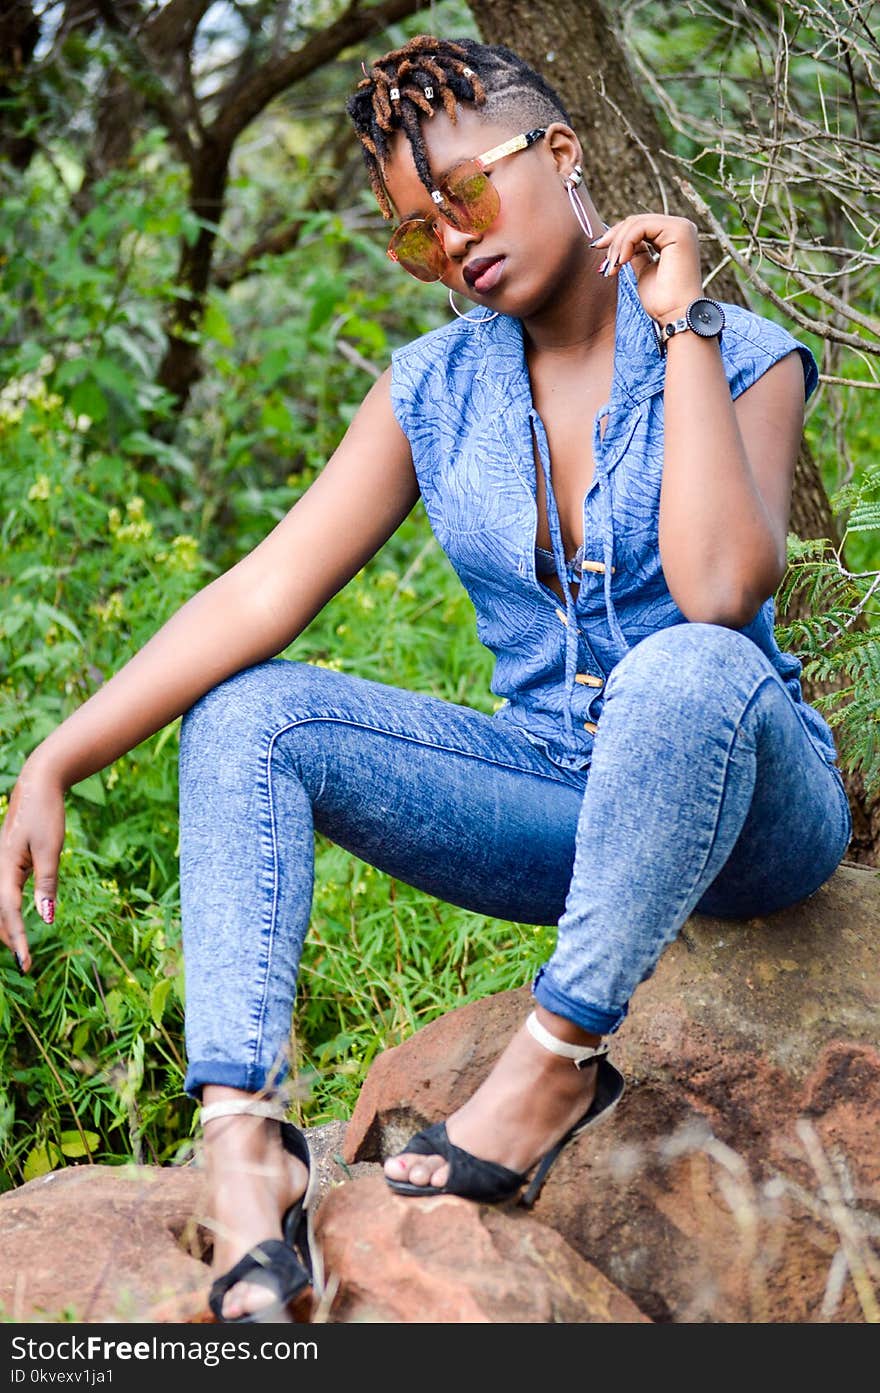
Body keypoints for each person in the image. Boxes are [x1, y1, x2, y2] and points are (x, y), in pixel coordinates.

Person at [0, 34, 852, 1323]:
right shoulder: (435, 390)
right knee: (254, 711)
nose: (452, 244)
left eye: (463, 195)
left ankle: (555, 1064)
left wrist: (679, 329)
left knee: (687, 667)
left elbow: (722, 593)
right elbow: (258, 595)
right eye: (416, 232)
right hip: (555, 795)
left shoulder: (744, 353)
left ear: (560, 152)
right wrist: (57, 755)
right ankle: (246, 1145)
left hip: (746, 797)